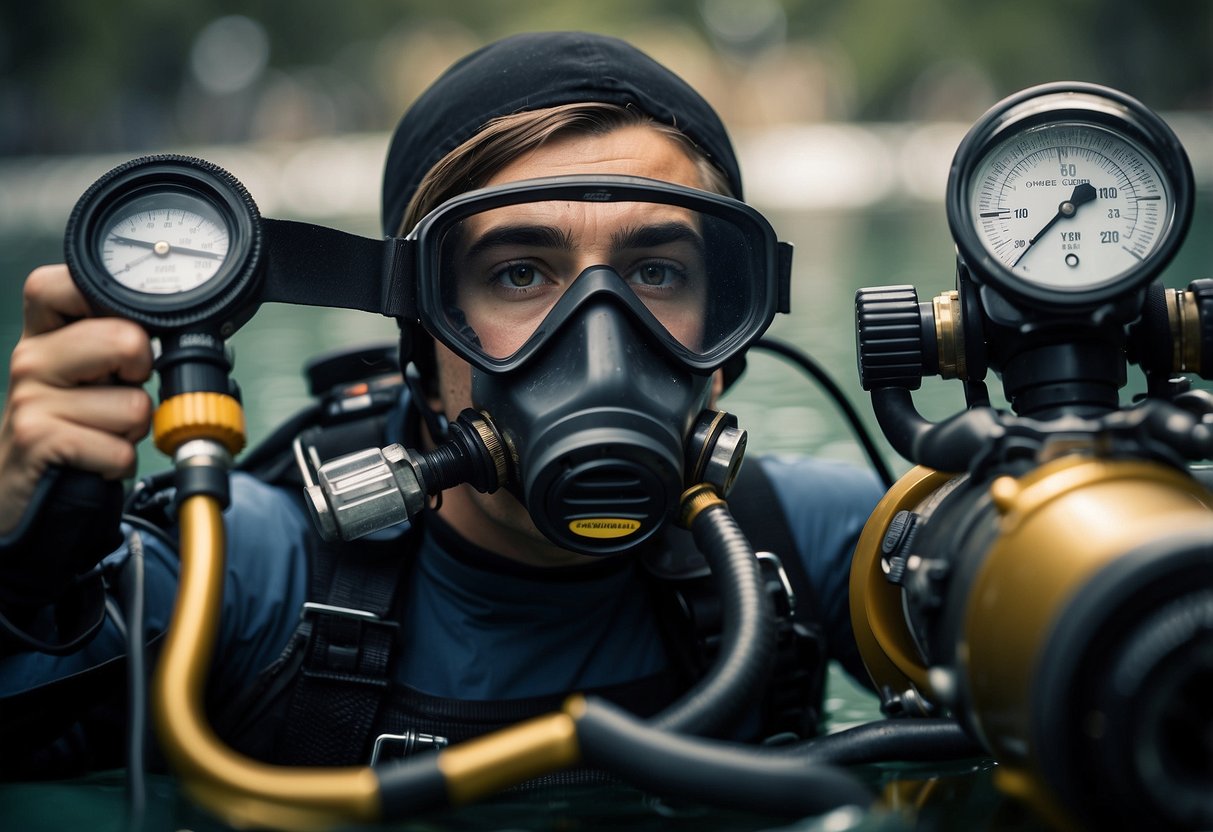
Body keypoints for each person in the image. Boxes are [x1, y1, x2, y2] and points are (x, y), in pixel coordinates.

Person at [0, 31, 883, 777]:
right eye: (518, 273)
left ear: (727, 324)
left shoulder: (803, 539)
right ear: (420, 332)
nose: (599, 340)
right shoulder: (247, 579)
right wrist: (26, 557)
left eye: (657, 271)